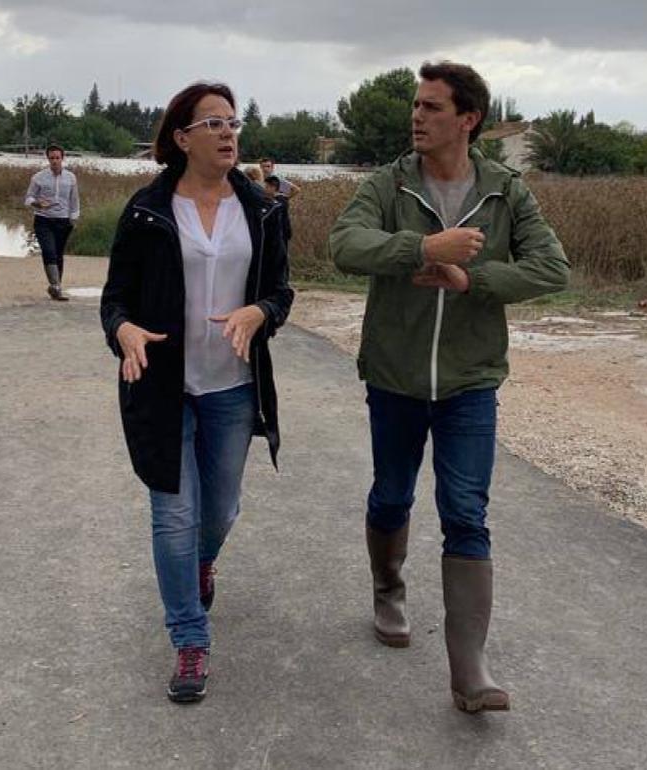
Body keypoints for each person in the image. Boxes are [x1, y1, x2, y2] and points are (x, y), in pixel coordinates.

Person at [329, 61, 569, 713]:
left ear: (467, 120)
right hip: (397, 376)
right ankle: (388, 588)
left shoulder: (505, 190)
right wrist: (423, 247)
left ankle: (470, 672)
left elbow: (553, 268)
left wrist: (477, 280)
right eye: (417, 104)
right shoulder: (389, 183)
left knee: (466, 511)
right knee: (392, 495)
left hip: (470, 381)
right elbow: (345, 245)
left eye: (432, 107)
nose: (417, 116)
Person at [100, 82, 293, 704]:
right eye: (212, 122)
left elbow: (281, 293)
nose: (228, 132)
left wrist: (259, 312)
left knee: (220, 511)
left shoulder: (262, 210)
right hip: (164, 387)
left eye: (232, 121)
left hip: (233, 389)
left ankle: (200, 562)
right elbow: (115, 301)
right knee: (174, 514)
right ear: (182, 139)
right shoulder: (146, 211)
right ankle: (189, 637)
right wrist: (123, 330)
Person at [24, 145, 79, 301]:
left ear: (63, 158)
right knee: (49, 251)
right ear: (47, 158)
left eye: (57, 158)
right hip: (43, 220)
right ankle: (55, 286)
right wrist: (38, 203)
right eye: (52, 158)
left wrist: (74, 217)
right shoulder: (38, 177)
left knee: (58, 254)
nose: (55, 161)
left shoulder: (71, 178)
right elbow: (28, 199)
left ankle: (56, 286)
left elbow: (74, 200)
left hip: (63, 220)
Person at [263, 176, 293, 243]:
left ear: (273, 187)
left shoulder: (280, 201)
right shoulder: (275, 199)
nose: (264, 189)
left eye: (266, 187)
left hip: (281, 233)